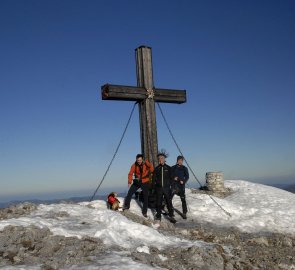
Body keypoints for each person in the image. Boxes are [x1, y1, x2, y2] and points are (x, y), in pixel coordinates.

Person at [152, 153, 176, 223]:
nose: (160, 160)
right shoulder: (156, 169)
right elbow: (154, 179)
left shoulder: (169, 168)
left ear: (164, 159)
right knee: (158, 203)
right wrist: (154, 188)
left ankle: (171, 216)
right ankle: (158, 216)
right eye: (159, 159)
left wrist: (172, 187)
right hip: (159, 188)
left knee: (169, 202)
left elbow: (172, 178)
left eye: (162, 158)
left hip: (167, 188)